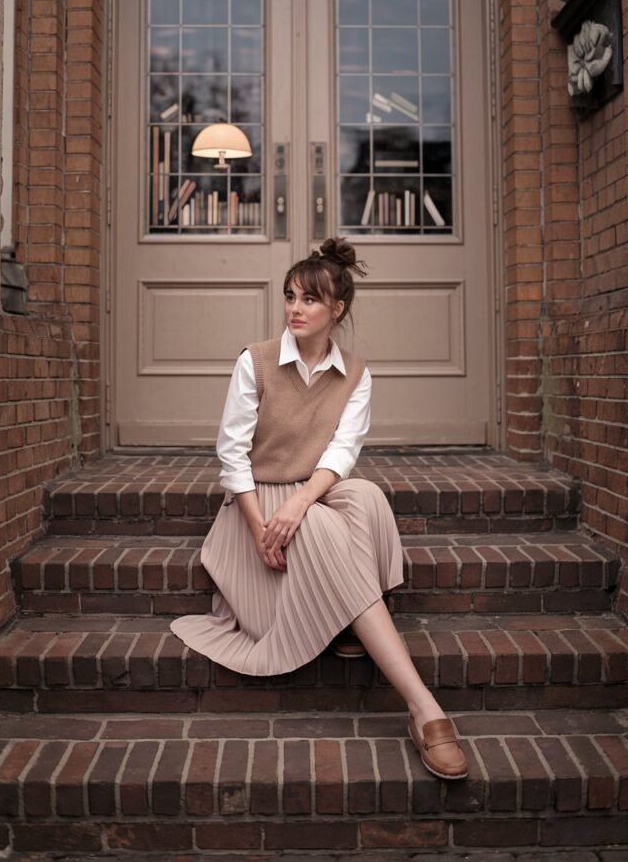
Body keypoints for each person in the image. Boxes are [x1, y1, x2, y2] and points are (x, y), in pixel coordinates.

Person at [171, 238, 468, 780]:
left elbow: (341, 454)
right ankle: (424, 707)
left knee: (366, 497)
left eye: (310, 299)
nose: (295, 308)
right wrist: (265, 526)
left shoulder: (355, 373)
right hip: (255, 506)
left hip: (312, 492)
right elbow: (231, 456)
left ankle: (349, 621)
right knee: (327, 529)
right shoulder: (255, 361)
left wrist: (303, 501)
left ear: (338, 309)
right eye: (290, 296)